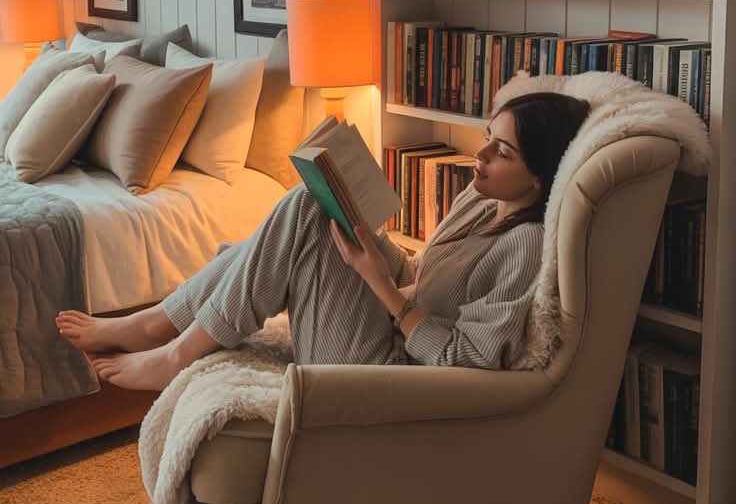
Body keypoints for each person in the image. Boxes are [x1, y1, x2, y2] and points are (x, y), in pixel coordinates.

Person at [56, 91, 590, 391]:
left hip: (398, 379)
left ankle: (174, 347)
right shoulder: (480, 198)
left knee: (299, 210)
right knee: (311, 212)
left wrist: (380, 287)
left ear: (542, 177)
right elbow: (424, 279)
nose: (481, 157)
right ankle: (155, 325)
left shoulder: (525, 245)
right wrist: (372, 242)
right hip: (393, 328)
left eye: (503, 153)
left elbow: (466, 363)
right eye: (486, 140)